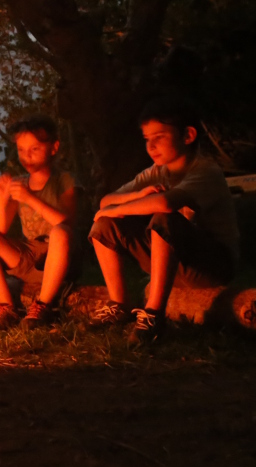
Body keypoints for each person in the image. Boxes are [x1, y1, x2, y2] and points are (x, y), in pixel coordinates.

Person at [88, 96, 239, 344]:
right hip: (174, 262)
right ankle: (119, 304)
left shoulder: (205, 171)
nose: (151, 146)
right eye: (147, 139)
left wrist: (115, 209)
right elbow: (106, 201)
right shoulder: (157, 172)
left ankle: (153, 315)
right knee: (104, 226)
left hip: (212, 265)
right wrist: (135, 196)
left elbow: (166, 204)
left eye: (159, 137)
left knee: (164, 218)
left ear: (188, 136)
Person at [0, 115, 81, 332]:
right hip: (30, 257)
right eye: (21, 150)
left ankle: (43, 306)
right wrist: (1, 198)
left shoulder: (66, 180)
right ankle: (7, 306)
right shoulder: (19, 183)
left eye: (34, 149)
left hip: (60, 257)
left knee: (60, 233)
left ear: (53, 147)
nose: (27, 157)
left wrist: (31, 198)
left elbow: (67, 222)